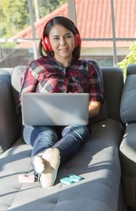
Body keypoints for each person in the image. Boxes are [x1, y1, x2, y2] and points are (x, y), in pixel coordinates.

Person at [20, 16, 104, 188]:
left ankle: (52, 155)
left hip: (73, 124)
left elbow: (95, 106)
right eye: (56, 38)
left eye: (67, 36)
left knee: (80, 130)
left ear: (76, 39)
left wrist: (75, 114)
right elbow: (24, 102)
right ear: (47, 42)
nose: (63, 43)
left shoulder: (89, 68)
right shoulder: (36, 67)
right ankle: (43, 168)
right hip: (38, 125)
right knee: (46, 135)